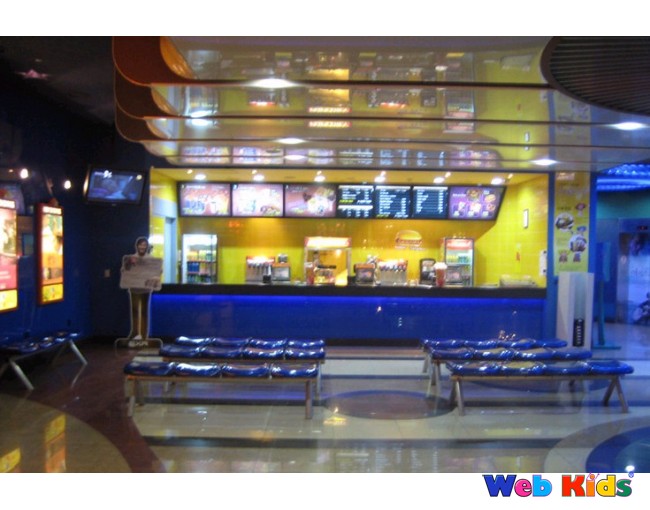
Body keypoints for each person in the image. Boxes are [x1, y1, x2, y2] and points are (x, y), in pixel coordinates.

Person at [125, 237, 153, 344]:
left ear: (147, 247)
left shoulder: (150, 259)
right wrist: (129, 263)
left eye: (144, 245)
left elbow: (156, 271)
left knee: (144, 311)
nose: (142, 247)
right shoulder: (132, 258)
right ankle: (135, 332)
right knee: (135, 311)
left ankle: (144, 335)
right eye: (141, 244)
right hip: (134, 288)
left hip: (145, 288)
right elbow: (126, 271)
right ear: (137, 246)